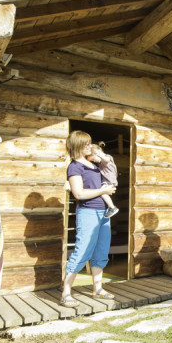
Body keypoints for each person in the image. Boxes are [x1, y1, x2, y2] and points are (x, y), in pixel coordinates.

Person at [61, 130, 118, 306]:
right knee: (82, 250)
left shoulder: (92, 164)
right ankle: (66, 294)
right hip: (87, 212)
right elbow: (78, 193)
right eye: (86, 144)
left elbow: (108, 168)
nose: (89, 146)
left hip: (103, 213)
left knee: (101, 251)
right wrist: (103, 191)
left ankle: (98, 289)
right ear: (77, 146)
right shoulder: (74, 167)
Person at [89, 143, 119, 219]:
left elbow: (107, 159)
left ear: (97, 153)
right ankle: (111, 207)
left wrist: (99, 154)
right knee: (103, 193)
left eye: (93, 159)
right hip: (107, 181)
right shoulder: (101, 164)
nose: (94, 161)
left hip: (109, 181)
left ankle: (112, 207)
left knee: (102, 192)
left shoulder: (106, 158)